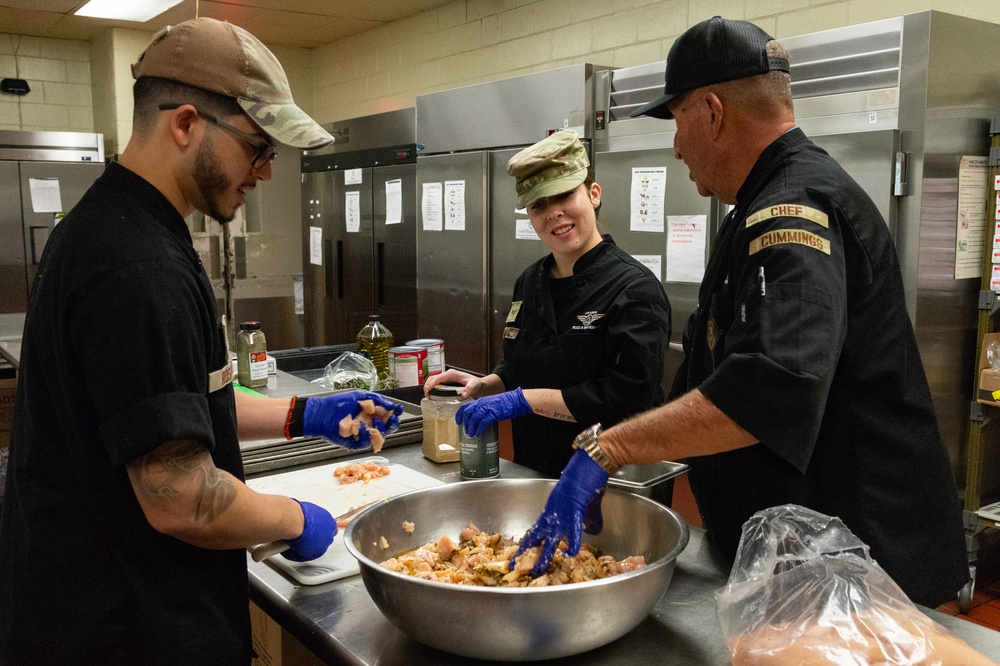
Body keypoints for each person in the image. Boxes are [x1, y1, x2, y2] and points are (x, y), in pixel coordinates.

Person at [513, 16, 969, 609]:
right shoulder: (755, 208)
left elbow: (769, 391)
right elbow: (710, 379)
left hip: (863, 567)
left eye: (677, 121)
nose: (677, 147)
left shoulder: (794, 208)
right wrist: (631, 452)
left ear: (712, 112)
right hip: (806, 556)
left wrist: (608, 450)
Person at [0, 18, 403, 664]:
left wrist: (303, 414)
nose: (264, 172)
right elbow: (181, 498)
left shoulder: (117, 226)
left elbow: (176, 403)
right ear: (186, 124)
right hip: (124, 632)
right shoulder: (137, 265)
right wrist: (294, 517)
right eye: (257, 148)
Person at [425, 130, 671, 477]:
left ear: (594, 194)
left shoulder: (634, 287)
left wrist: (522, 400)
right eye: (539, 204)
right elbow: (530, 362)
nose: (554, 213)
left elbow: (627, 398)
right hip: (533, 472)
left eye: (565, 195)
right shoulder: (530, 281)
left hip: (609, 479)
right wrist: (488, 385)